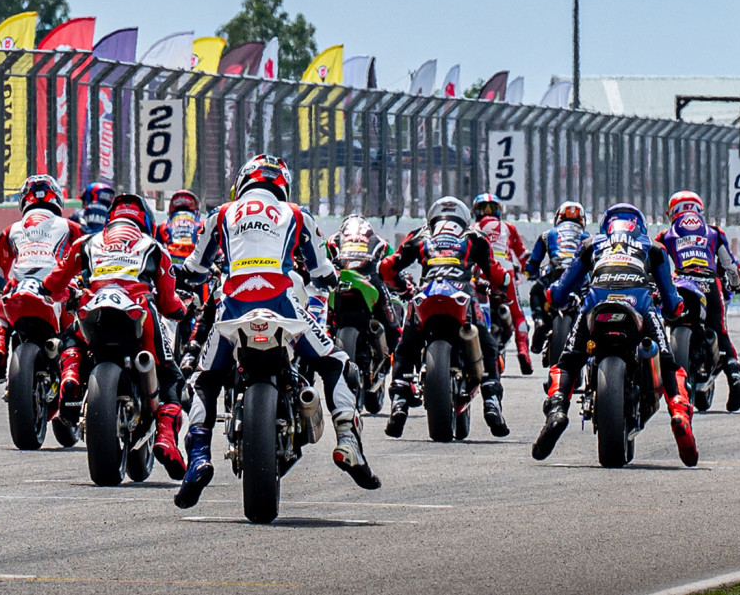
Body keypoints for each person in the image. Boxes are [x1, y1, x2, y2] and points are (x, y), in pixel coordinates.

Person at [174, 154, 380, 509]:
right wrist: (329, 279)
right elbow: (322, 271)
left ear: (242, 183)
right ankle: (348, 440)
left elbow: (195, 268)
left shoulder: (221, 214)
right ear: (283, 185)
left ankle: (198, 459)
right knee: (336, 362)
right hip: (283, 303)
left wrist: (186, 278)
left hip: (233, 306)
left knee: (203, 379)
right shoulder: (296, 214)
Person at [532, 203, 699, 467]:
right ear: (640, 226)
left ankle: (556, 410)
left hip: (596, 304)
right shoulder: (653, 247)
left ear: (606, 226)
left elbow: (561, 290)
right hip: (639, 305)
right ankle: (679, 413)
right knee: (668, 364)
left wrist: (553, 296)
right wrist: (675, 308)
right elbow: (670, 300)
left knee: (568, 362)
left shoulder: (592, 244)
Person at [44, 192, 188, 479]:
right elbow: (169, 303)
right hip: (138, 308)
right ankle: (165, 438)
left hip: (94, 304)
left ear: (110, 219)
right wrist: (181, 310)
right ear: (145, 222)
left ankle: (70, 377)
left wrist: (61, 292)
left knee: (71, 338)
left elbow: (53, 282)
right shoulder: (154, 247)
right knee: (170, 375)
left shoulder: (87, 242)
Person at [379, 195, 516, 439]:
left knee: (405, 347)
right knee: (488, 346)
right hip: (461, 294)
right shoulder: (474, 236)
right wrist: (503, 284)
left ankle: (399, 402)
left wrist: (400, 286)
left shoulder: (420, 235)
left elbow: (387, 267)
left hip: (427, 293)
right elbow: (496, 273)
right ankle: (492, 402)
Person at [0, 175, 84, 383]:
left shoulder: (10, 231)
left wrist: (6, 288)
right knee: (76, 329)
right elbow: (87, 261)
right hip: (56, 289)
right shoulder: (71, 227)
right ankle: (71, 373)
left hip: (20, 287)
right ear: (56, 198)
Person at [653, 190, 740, 412]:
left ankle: (671, 376)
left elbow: (654, 261)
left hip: (681, 281)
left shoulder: (665, 235)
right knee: (721, 331)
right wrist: (737, 284)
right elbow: (731, 265)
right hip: (710, 282)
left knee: (667, 319)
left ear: (673, 211)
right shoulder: (713, 232)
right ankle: (734, 377)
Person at [471, 193, 533, 375]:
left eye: (490, 208)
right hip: (505, 271)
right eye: (485, 208)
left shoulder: (472, 229)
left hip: (480, 271)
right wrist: (529, 270)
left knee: (471, 308)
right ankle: (523, 351)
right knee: (518, 314)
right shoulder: (508, 228)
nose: (488, 212)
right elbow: (522, 255)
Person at [325, 213, 403, 353]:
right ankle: (398, 352)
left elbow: (320, 263)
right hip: (370, 279)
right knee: (392, 321)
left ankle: (323, 337)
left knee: (321, 311)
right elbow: (392, 266)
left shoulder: (331, 240)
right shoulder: (380, 241)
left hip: (340, 279)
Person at [524, 200, 589, 357]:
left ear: (558, 218)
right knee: (591, 299)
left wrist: (530, 273)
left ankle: (540, 321)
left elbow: (533, 264)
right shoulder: (588, 238)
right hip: (579, 277)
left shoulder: (547, 235)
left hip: (554, 273)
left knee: (536, 291)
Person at [155, 190, 205, 267]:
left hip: (171, 261)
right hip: (194, 261)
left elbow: (156, 247)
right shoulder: (202, 223)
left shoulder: (164, 224)